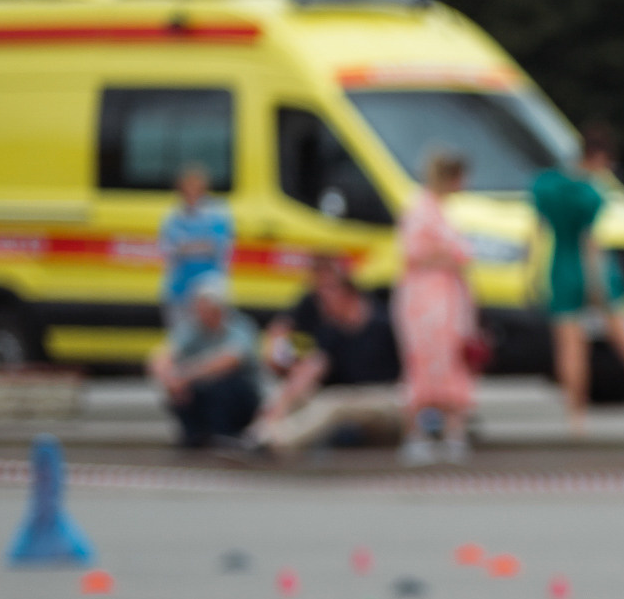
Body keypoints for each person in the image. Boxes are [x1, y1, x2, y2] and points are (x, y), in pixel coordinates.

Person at [532, 123, 624, 430]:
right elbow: (589, 242)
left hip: (560, 266)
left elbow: (537, 234)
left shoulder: (545, 185)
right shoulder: (590, 192)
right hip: (591, 267)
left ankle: (575, 416)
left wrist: (533, 276)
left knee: (570, 345)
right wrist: (598, 285)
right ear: (597, 156)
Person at [247, 254, 402, 457]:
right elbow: (302, 355)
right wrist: (284, 386)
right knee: (288, 391)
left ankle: (275, 445)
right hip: (342, 391)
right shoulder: (327, 325)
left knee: (331, 403)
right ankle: (256, 436)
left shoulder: (384, 323)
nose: (321, 302)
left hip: (386, 395)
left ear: (347, 292)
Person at [395, 148, 479, 466]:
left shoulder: (438, 210)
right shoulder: (422, 210)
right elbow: (414, 253)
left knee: (452, 360)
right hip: (427, 298)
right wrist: (453, 256)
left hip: (445, 297)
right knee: (424, 360)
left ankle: (451, 431)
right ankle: (417, 433)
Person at [147, 273, 261, 448]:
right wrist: (170, 379)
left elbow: (229, 360)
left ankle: (225, 435)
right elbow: (161, 355)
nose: (198, 310)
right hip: (201, 390)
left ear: (218, 307)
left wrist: (185, 375)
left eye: (203, 306)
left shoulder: (240, 326)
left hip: (241, 398)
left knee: (224, 385)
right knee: (181, 388)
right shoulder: (192, 327)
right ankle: (195, 437)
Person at [156, 162, 234, 331]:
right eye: (187, 187)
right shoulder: (173, 215)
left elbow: (216, 246)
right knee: (179, 333)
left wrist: (185, 246)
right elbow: (168, 248)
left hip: (209, 283)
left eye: (196, 186)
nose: (191, 191)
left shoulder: (217, 213)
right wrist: (197, 245)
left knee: (209, 331)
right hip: (179, 286)